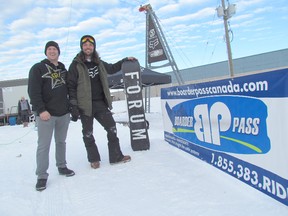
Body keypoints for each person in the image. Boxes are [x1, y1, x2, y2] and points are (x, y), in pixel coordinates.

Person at [67, 35, 133, 169]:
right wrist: (73, 105)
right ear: (81, 47)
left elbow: (113, 68)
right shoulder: (75, 64)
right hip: (85, 106)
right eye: (85, 45)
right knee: (88, 133)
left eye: (90, 45)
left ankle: (116, 156)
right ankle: (94, 159)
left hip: (100, 103)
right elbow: (71, 86)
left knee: (112, 128)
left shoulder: (99, 62)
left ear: (94, 47)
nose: (88, 47)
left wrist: (125, 60)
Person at [28, 41, 75, 191]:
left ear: (58, 52)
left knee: (61, 142)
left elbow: (69, 89)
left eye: (55, 49)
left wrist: (70, 108)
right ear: (46, 52)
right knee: (44, 145)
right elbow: (33, 91)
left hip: (63, 114)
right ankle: (41, 175)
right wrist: (41, 110)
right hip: (46, 115)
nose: (52, 51)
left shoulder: (63, 70)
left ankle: (62, 166)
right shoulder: (38, 68)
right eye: (49, 49)